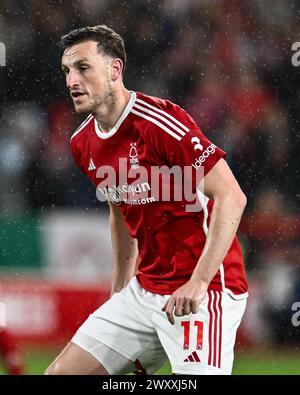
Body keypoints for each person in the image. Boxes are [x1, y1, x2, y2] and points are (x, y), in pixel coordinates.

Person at [46, 25, 248, 375]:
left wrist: (199, 281)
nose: (71, 81)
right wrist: (120, 288)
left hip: (205, 289)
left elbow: (232, 196)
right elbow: (119, 211)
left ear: (115, 70)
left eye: (83, 67)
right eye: (66, 71)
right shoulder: (83, 143)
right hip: (145, 290)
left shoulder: (160, 123)